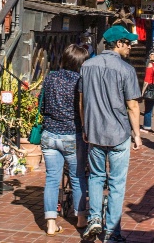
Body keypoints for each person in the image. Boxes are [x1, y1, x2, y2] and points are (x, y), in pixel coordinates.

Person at [79, 25, 142, 243]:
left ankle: (95, 218)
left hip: (94, 131)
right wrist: (137, 134)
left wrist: (85, 126)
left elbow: (82, 101)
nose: (130, 47)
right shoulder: (126, 70)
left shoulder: (87, 66)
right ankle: (112, 232)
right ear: (118, 44)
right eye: (128, 43)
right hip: (119, 133)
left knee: (95, 177)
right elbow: (132, 105)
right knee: (116, 183)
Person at [41, 44, 90, 236]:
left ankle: (51, 223)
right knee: (77, 177)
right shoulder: (80, 80)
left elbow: (43, 103)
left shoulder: (50, 77)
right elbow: (82, 108)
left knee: (52, 179)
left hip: (50, 133)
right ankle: (81, 218)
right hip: (72, 133)